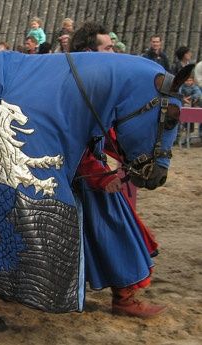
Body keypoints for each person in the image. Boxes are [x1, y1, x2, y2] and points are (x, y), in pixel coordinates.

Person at [71, 23, 166, 318]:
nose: (114, 51)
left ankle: (121, 296)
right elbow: (75, 140)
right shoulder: (75, 90)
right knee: (117, 230)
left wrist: (130, 157)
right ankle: (123, 299)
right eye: (108, 47)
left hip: (94, 174)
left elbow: (108, 131)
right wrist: (102, 176)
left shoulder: (98, 85)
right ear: (89, 52)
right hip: (81, 178)